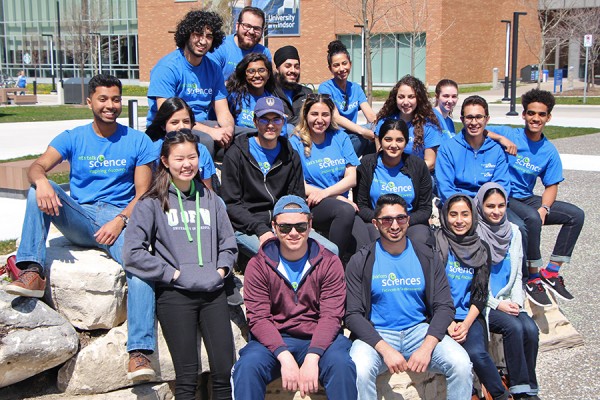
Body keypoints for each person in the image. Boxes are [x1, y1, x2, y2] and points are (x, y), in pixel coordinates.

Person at [4, 74, 159, 381]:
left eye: (115, 99)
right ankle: (32, 270)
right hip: (79, 215)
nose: (110, 106)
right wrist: (42, 181)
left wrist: (121, 220)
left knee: (140, 265)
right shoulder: (73, 136)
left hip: (118, 219)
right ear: (90, 102)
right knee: (39, 189)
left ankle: (139, 354)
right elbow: (37, 166)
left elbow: (143, 194)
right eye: (103, 99)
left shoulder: (137, 140)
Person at [123, 130, 237, 400]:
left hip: (213, 294)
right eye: (179, 158)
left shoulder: (211, 199)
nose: (187, 164)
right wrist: (172, 274)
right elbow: (133, 252)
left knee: (224, 372)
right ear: (164, 161)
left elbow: (229, 244)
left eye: (193, 157)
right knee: (187, 377)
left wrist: (220, 271)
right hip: (176, 296)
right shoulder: (151, 202)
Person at [346, 194, 473, 400]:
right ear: (376, 224)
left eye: (400, 218)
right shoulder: (360, 261)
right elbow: (352, 315)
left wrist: (427, 347)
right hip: (378, 334)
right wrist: (386, 350)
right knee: (358, 370)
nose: (394, 225)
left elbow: (445, 306)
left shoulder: (427, 256)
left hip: (419, 331)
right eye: (387, 220)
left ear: (408, 220)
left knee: (461, 364)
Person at [231, 195, 357, 399]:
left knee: (342, 365)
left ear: (310, 225)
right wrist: (284, 356)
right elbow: (258, 318)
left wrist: (312, 357)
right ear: (274, 226)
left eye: (300, 226)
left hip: (319, 337)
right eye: (285, 227)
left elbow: (331, 316)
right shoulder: (258, 265)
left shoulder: (329, 262)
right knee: (247, 367)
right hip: (276, 338)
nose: (293, 233)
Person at [487, 89, 584, 307]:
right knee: (529, 219)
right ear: (524, 115)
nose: (536, 118)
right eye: (531, 113)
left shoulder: (548, 151)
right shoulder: (511, 134)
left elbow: (551, 185)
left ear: (548, 117)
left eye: (541, 114)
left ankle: (551, 272)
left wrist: (545, 209)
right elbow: (476, 129)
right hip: (504, 198)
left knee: (576, 215)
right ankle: (532, 277)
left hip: (527, 199)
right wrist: (501, 138)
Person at [220, 96, 337, 257]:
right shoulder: (236, 154)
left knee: (331, 251)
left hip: (284, 223)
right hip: (248, 227)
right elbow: (232, 204)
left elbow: (296, 198)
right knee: (280, 255)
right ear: (255, 122)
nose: (270, 125)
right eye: (264, 120)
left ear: (283, 122)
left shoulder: (290, 155)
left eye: (276, 119)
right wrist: (260, 229)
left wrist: (291, 227)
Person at [435, 194, 510, 400]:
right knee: (458, 359)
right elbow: (430, 290)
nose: (459, 220)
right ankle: (472, 393)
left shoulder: (481, 247)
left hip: (469, 315)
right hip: (440, 315)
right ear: (445, 216)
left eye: (465, 214)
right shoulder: (436, 244)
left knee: (477, 352)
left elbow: (480, 293)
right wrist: (448, 322)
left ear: (473, 216)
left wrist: (466, 324)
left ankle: (501, 395)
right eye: (453, 214)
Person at [475, 183, 540, 400]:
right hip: (486, 303)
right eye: (490, 206)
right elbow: (475, 283)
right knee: (513, 327)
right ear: (480, 206)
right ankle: (519, 389)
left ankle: (530, 385)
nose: (496, 211)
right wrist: (497, 304)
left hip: (508, 299)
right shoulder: (475, 234)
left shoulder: (513, 232)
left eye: (501, 206)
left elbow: (518, 275)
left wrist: (518, 303)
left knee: (530, 328)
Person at [290, 93, 369, 262]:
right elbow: (299, 185)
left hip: (340, 204)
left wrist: (329, 194)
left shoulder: (340, 137)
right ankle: (330, 265)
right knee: (345, 210)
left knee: (366, 244)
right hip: (312, 203)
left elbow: (352, 177)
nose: (320, 120)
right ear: (305, 115)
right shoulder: (296, 142)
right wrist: (337, 196)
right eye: (314, 114)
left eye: (325, 114)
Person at [146, 10, 235, 153]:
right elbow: (171, 117)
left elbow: (223, 111)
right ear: (187, 34)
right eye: (198, 34)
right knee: (205, 142)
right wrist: (211, 132)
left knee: (246, 137)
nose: (203, 41)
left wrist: (228, 130)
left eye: (209, 36)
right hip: (170, 129)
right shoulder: (167, 67)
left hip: (202, 125)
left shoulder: (214, 68)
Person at [355, 118, 432, 241]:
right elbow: (361, 205)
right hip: (376, 223)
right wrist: (383, 221)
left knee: (420, 238)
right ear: (380, 141)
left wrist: (401, 222)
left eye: (399, 140)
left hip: (409, 222)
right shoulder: (367, 164)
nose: (394, 145)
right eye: (388, 139)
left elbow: (425, 209)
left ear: (406, 142)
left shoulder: (418, 166)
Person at [435, 95, 511, 204]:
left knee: (524, 221)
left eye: (479, 117)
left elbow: (502, 186)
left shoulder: (497, 150)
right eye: (469, 117)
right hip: (458, 208)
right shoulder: (447, 149)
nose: (474, 122)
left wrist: (485, 208)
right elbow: (445, 188)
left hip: (489, 208)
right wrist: (467, 208)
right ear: (462, 119)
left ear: (487, 119)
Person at [318, 40, 377, 157]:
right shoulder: (325, 88)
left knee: (376, 133)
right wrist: (363, 132)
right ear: (330, 68)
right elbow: (336, 118)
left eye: (344, 63)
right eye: (336, 65)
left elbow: (371, 116)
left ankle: (371, 169)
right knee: (361, 139)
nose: (341, 68)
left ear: (350, 63)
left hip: (354, 133)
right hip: (336, 136)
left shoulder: (355, 88)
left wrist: (380, 128)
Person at [375, 75, 442, 171]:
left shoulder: (429, 126)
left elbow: (430, 162)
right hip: (389, 173)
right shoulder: (384, 122)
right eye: (401, 97)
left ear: (418, 98)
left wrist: (406, 172)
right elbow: (381, 156)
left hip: (417, 173)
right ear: (395, 98)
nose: (406, 102)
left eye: (411, 97)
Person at [146, 97, 216, 187]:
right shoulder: (153, 152)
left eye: (186, 121)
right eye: (174, 123)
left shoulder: (201, 150)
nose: (181, 127)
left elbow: (207, 189)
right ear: (163, 126)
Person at [207, 6, 271, 81]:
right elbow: (211, 82)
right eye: (247, 26)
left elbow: (267, 84)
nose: (251, 31)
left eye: (256, 28)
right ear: (237, 26)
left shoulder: (264, 52)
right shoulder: (219, 46)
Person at [225, 53, 283, 134]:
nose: (257, 75)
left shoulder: (273, 100)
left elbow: (281, 131)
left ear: (269, 74)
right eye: (251, 71)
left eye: (261, 70)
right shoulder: (233, 97)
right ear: (244, 75)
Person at [272, 45, 312, 127]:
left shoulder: (306, 93)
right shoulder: (270, 92)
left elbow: (313, 118)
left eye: (297, 67)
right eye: (288, 66)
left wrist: (288, 118)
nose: (293, 70)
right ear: (277, 68)